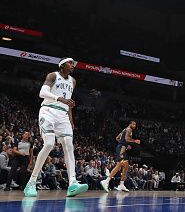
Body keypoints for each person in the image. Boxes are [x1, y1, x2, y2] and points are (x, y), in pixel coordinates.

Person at [24, 58, 88, 198]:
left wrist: (70, 119)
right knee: (49, 144)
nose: (73, 65)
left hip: (63, 115)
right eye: (70, 63)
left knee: (68, 145)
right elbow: (42, 93)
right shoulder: (53, 75)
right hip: (48, 111)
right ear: (62, 65)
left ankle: (72, 183)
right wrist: (59, 99)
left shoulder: (73, 81)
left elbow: (68, 101)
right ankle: (31, 182)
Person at [100, 121, 140, 192]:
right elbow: (127, 139)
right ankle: (106, 181)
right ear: (130, 124)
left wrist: (125, 144)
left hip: (121, 148)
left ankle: (121, 184)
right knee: (118, 166)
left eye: (135, 125)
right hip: (121, 149)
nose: (134, 126)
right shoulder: (129, 129)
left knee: (126, 166)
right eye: (133, 124)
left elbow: (117, 138)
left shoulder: (124, 130)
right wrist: (135, 141)